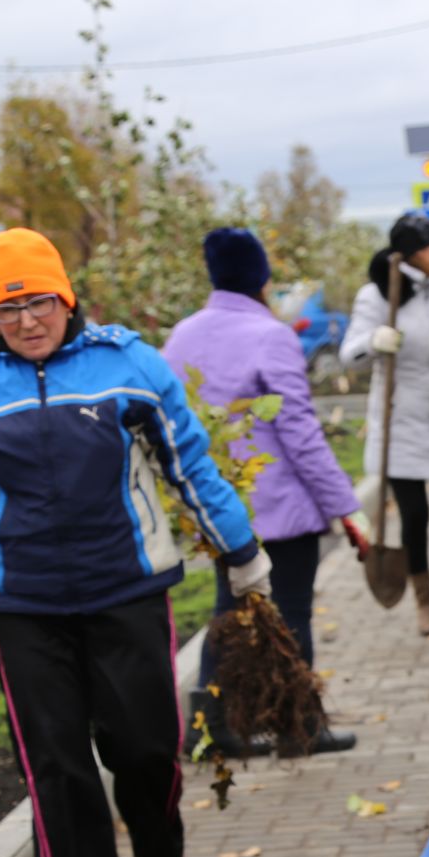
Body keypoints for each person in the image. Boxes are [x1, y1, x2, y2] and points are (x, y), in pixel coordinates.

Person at [0, 228, 270, 857]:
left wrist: (240, 552)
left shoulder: (127, 366)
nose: (27, 323)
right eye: (8, 312)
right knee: (56, 761)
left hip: (127, 589)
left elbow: (191, 466)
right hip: (24, 604)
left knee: (144, 747)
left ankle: (161, 855)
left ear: (65, 297)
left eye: (39, 303)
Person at [162, 227, 368, 757]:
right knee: (292, 610)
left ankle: (211, 727)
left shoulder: (181, 335)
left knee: (229, 609)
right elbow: (299, 431)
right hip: (281, 508)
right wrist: (344, 505)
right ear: (262, 277)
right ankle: (298, 727)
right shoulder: (270, 335)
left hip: (217, 505)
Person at [341, 213, 429, 636]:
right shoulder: (377, 295)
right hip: (400, 423)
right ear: (409, 254)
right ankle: (425, 603)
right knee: (416, 516)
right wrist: (375, 341)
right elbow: (351, 351)